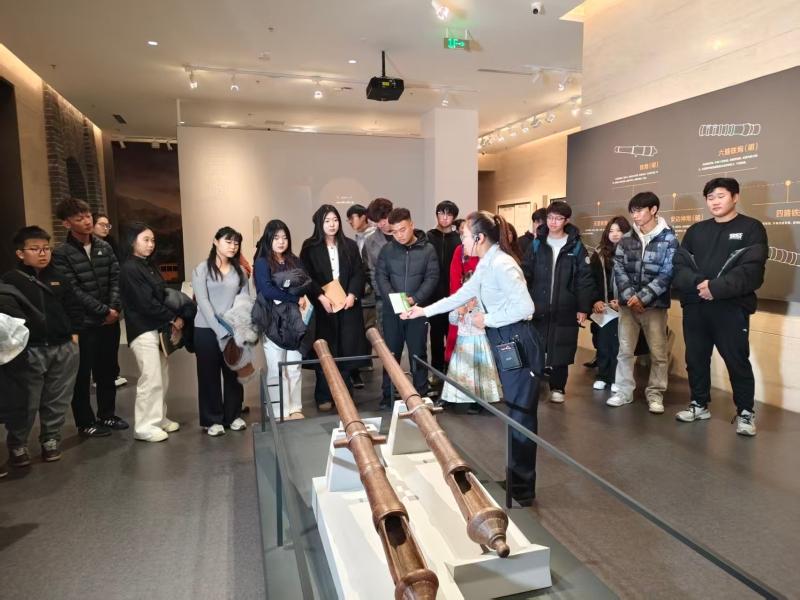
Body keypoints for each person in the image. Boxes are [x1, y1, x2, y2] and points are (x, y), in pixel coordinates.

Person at [402, 211, 541, 505]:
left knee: (521, 415)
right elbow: (461, 295)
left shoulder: (502, 264)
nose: (461, 241)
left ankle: (523, 489)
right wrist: (423, 311)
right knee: (515, 413)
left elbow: (526, 308)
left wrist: (486, 319)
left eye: (464, 235)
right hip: (504, 339)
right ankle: (516, 481)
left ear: (479, 237)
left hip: (517, 339)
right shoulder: (486, 264)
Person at [672, 178, 767, 436]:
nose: (715, 201)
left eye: (721, 196)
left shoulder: (751, 228)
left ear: (735, 197)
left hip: (731, 308)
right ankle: (699, 404)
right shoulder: (696, 231)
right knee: (696, 359)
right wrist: (699, 284)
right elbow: (679, 266)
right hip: (696, 306)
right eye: (710, 197)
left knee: (737, 361)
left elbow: (752, 271)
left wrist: (715, 288)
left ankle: (745, 412)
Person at [2, 226, 82, 466]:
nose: (43, 253)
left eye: (46, 248)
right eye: (35, 249)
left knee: (58, 398)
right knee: (26, 401)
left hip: (63, 347)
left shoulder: (59, 278)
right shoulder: (10, 281)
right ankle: (17, 445)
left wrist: (74, 335)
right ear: (20, 253)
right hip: (29, 350)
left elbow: (74, 307)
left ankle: (51, 440)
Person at [52, 198, 126, 437]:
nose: (87, 221)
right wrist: (103, 311)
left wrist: (114, 308)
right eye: (79, 218)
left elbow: (116, 277)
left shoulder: (104, 246)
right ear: (66, 223)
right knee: (82, 375)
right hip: (84, 324)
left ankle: (107, 414)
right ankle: (85, 422)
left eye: (88, 216)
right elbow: (72, 289)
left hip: (110, 321)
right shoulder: (61, 254)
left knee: (107, 371)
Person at [606, 192, 678, 413]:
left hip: (654, 306)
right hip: (628, 306)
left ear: (653, 210)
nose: (635, 215)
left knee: (658, 353)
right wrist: (631, 297)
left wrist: (643, 297)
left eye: (639, 210)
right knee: (625, 351)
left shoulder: (669, 238)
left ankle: (655, 394)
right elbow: (619, 267)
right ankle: (623, 391)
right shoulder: (627, 238)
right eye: (632, 211)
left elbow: (668, 273)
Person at [522, 201, 595, 403]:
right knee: (535, 346)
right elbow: (525, 273)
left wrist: (583, 307)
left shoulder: (576, 246)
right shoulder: (537, 243)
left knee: (562, 347)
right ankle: (533, 384)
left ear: (566, 220)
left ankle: (558, 387)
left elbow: (584, 279)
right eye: (550, 217)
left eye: (558, 218)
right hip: (538, 305)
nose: (553, 222)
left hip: (565, 306)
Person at [301, 205, 369, 411]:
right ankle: (324, 395)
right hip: (324, 307)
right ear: (319, 224)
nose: (332, 225)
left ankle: (345, 394)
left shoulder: (349, 245)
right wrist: (320, 296)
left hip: (347, 306)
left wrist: (352, 294)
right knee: (325, 350)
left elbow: (359, 272)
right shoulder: (310, 247)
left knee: (346, 350)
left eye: (335, 220)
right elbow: (306, 276)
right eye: (327, 221)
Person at [119, 223, 182, 442]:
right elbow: (145, 303)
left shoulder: (148, 265)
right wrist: (172, 317)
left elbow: (161, 295)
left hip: (157, 327)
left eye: (152, 240)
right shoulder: (129, 268)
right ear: (132, 241)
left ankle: (159, 418)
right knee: (151, 378)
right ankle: (145, 427)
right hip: (142, 328)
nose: (150, 244)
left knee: (162, 377)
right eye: (145, 239)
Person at [375, 208, 439, 409]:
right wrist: (395, 300)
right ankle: (388, 394)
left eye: (402, 229)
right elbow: (381, 277)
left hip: (417, 310)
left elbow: (432, 277)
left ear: (411, 225)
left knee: (418, 353)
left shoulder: (428, 250)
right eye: (394, 232)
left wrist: (415, 299)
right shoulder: (387, 250)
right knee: (391, 353)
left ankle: (421, 394)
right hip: (392, 311)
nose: (399, 235)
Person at [192, 227, 250, 437]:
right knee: (208, 375)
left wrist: (237, 326)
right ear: (216, 241)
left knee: (233, 372)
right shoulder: (201, 269)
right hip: (206, 329)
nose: (233, 246)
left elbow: (244, 299)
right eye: (228, 241)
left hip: (233, 329)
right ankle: (212, 419)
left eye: (236, 243)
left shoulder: (240, 271)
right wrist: (219, 330)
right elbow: (203, 302)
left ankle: (233, 415)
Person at [254, 220, 309, 420]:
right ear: (269, 239)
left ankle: (295, 408)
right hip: (272, 319)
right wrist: (294, 298)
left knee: (294, 366)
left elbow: (304, 283)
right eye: (276, 237)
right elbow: (267, 290)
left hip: (294, 320)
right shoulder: (262, 262)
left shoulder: (294, 260)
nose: (281, 241)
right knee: (276, 367)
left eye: (284, 237)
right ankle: (278, 411)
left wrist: (296, 295)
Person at [588, 217, 631, 391]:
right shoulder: (598, 254)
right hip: (604, 307)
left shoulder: (632, 253)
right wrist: (595, 300)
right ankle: (603, 376)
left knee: (620, 345)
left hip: (624, 306)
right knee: (603, 343)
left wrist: (622, 301)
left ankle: (616, 378)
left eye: (619, 231)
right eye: (611, 231)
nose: (615, 234)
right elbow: (590, 280)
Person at [427, 200, 461, 381]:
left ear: (454, 217)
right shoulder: (429, 237)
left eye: (449, 214)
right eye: (441, 213)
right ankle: (436, 370)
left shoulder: (458, 239)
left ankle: (453, 370)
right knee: (436, 334)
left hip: (454, 294)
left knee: (453, 333)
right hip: (434, 294)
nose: (445, 217)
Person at [92, 211, 127, 388]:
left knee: (112, 342)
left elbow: (117, 275)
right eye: (102, 224)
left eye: (108, 225)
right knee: (97, 345)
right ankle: (99, 377)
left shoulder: (110, 245)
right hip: (94, 304)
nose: (106, 228)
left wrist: (114, 306)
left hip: (111, 302)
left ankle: (113, 373)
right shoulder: (85, 248)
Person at [347, 204, 376, 386]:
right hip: (362, 289)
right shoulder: (357, 237)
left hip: (370, 289)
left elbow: (368, 266)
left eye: (353, 217)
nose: (350, 222)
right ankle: (364, 361)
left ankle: (365, 361)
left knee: (368, 326)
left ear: (364, 216)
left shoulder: (373, 236)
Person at [445, 219, 479, 365]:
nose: (462, 239)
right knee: (457, 334)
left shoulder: (488, 252)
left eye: (465, 235)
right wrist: (460, 303)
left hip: (482, 302)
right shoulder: (460, 250)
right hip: (463, 301)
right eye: (462, 235)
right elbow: (454, 279)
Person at [363, 197, 394, 333]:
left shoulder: (405, 235)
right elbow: (370, 270)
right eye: (377, 221)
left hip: (407, 293)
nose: (381, 224)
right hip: (382, 296)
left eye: (384, 219)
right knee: (386, 335)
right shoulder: (370, 241)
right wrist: (381, 292)